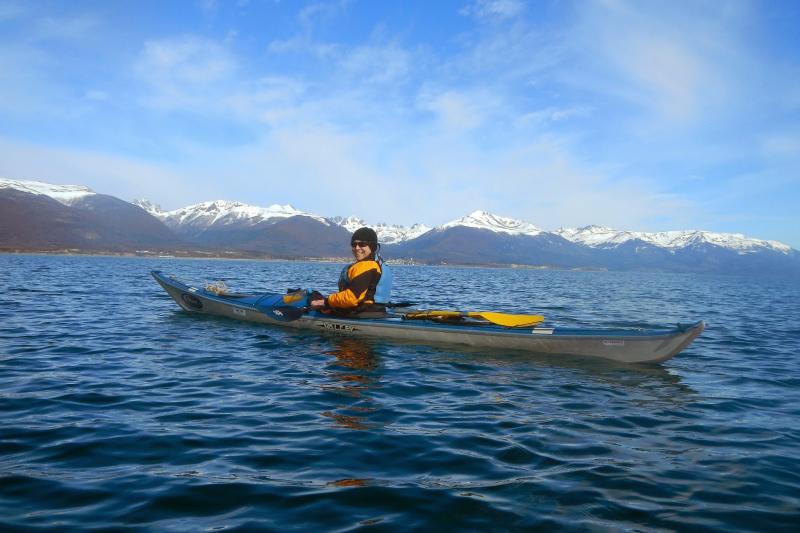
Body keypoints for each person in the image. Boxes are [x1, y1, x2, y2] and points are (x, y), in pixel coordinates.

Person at [309, 227, 392, 315]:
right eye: (354, 244)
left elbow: (351, 298)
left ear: (372, 246)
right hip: (378, 311)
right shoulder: (379, 264)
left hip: (359, 312)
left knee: (310, 297)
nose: (357, 248)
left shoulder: (367, 266)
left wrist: (324, 302)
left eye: (362, 244)